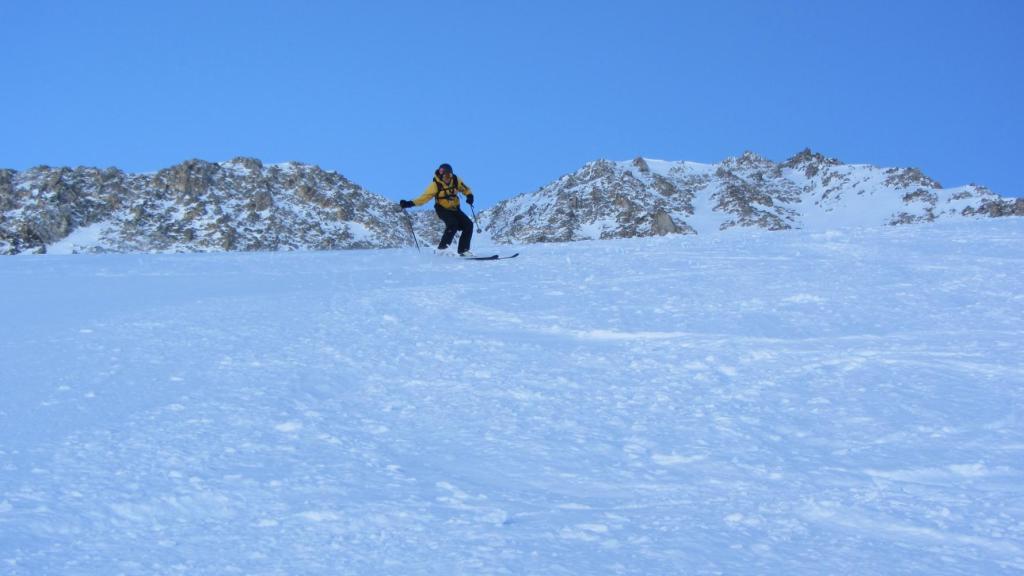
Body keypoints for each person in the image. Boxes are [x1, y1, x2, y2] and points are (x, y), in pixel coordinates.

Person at [399, 163, 476, 256]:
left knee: (469, 225)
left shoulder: (456, 180)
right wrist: (409, 203)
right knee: (453, 224)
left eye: (449, 175)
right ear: (441, 175)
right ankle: (442, 249)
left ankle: (463, 250)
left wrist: (469, 196)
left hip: (455, 208)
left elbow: (465, 189)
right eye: (445, 175)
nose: (447, 178)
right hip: (442, 209)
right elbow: (424, 198)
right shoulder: (435, 185)